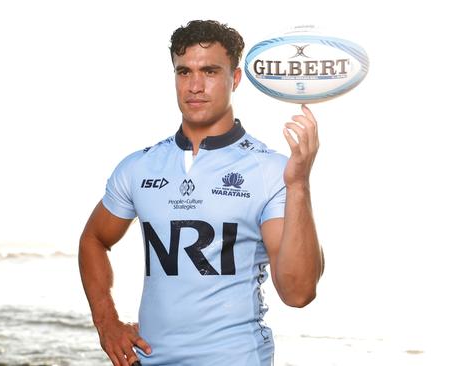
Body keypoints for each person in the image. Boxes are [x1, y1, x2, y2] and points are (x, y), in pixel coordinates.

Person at [78, 20, 325, 366]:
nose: (194, 86)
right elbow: (93, 239)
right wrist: (106, 323)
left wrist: (299, 185)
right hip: (150, 360)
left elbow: (298, 293)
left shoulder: (271, 171)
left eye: (209, 71)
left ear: (235, 79)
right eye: (184, 72)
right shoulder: (139, 167)